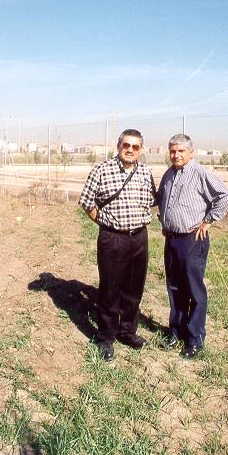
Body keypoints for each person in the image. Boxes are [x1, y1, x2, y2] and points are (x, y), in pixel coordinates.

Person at [79, 129, 156, 361]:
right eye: (126, 145)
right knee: (110, 289)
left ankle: (128, 332)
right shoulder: (102, 170)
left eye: (135, 147)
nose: (130, 150)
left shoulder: (145, 172)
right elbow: (86, 201)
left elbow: (151, 201)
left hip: (139, 238)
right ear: (118, 146)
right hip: (113, 238)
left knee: (134, 289)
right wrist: (104, 222)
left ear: (140, 150)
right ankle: (105, 337)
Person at [157, 134, 228, 359]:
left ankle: (195, 338)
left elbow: (226, 196)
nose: (176, 155)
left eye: (181, 151)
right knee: (174, 288)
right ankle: (176, 331)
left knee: (193, 289)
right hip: (171, 239)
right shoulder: (168, 174)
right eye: (173, 151)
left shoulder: (200, 173)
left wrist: (209, 220)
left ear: (191, 152)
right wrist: (165, 221)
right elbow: (162, 199)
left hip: (192, 239)